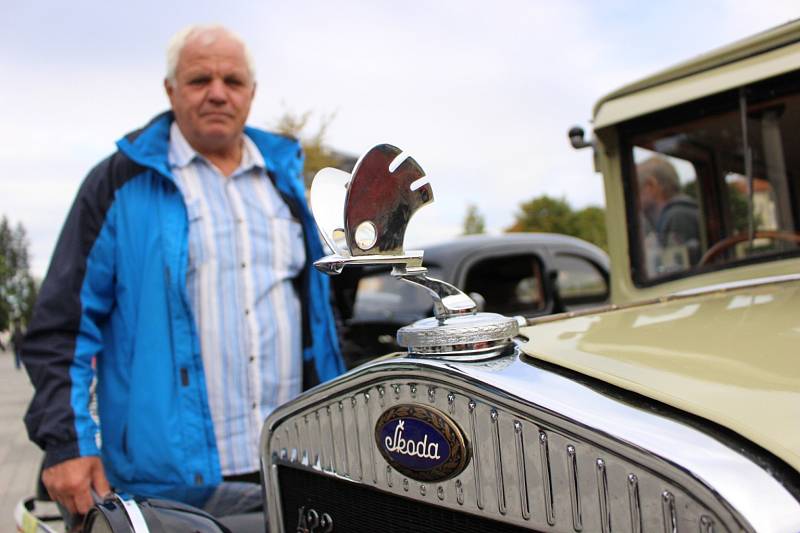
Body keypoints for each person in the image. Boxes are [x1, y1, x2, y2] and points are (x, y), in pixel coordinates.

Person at [21, 24, 345, 523]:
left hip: (291, 465)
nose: (217, 93)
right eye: (199, 80)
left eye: (232, 81)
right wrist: (67, 443)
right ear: (170, 90)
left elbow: (319, 324)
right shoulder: (118, 184)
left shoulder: (287, 185)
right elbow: (62, 326)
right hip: (166, 485)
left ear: (252, 94)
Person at [637, 156, 701, 271]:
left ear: (651, 186)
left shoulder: (677, 216)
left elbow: (675, 268)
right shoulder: (682, 211)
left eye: (637, 189)